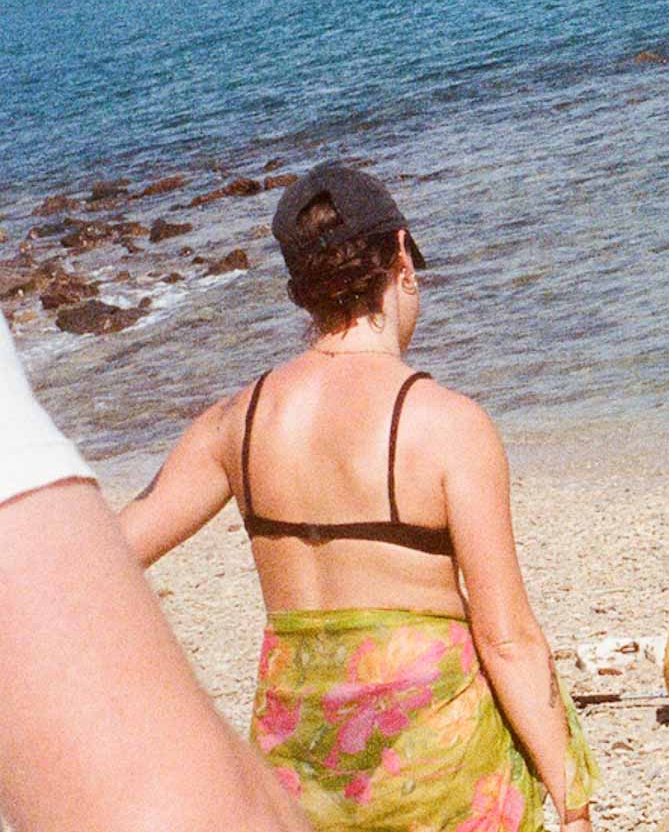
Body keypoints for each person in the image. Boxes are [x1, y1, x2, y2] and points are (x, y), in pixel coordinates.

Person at [120, 162, 600, 832]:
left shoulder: (236, 421)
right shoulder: (445, 425)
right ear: (401, 254)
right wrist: (572, 801)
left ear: (299, 290)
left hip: (306, 785)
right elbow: (508, 637)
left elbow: (107, 554)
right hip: (437, 777)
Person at [0, 319, 310, 832]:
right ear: (401, 267)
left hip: (297, 725)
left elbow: (125, 544)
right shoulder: (448, 421)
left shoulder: (236, 420)